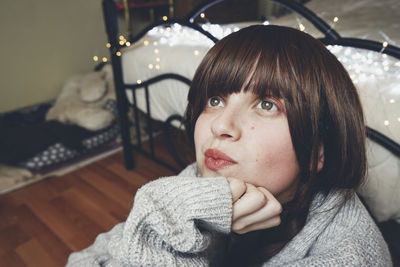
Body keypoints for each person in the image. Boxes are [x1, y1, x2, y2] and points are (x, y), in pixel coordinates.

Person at [67, 25, 392, 266]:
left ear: (318, 152)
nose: (220, 125)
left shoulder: (350, 255)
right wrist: (166, 217)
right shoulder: (203, 180)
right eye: (215, 99)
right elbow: (87, 259)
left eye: (267, 105)